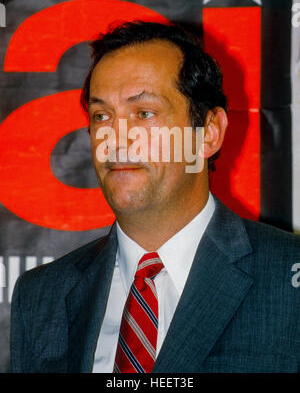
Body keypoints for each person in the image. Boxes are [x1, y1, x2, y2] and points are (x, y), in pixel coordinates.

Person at [10, 21, 300, 373]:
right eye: (102, 116)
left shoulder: (289, 279)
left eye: (144, 113)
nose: (116, 139)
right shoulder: (42, 297)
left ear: (208, 134)